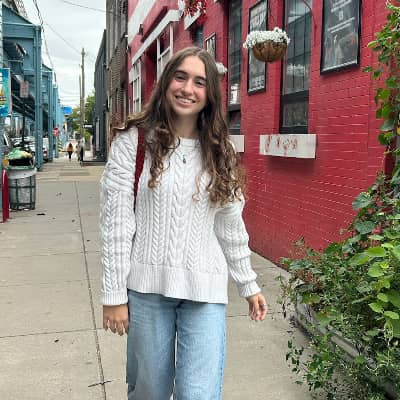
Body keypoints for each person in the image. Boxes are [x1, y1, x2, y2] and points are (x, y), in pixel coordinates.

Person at [100, 47, 267, 400]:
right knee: (150, 392)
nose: (188, 88)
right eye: (180, 77)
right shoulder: (134, 142)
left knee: (198, 394)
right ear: (165, 82)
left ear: (210, 95)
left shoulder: (221, 150)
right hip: (147, 291)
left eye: (199, 82)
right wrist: (113, 295)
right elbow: (116, 225)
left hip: (204, 291)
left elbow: (230, 226)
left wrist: (248, 284)